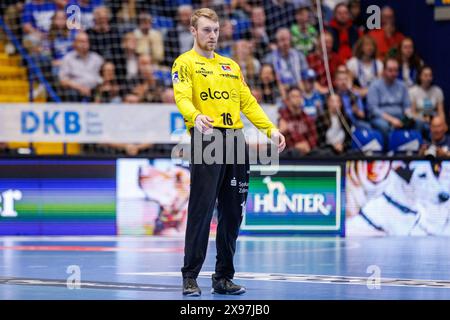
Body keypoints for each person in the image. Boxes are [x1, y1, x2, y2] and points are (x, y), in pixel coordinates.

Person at [172, 8, 285, 296]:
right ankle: (190, 277)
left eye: (216, 30)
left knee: (233, 212)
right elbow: (182, 96)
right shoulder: (184, 63)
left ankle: (223, 277)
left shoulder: (231, 66)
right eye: (207, 29)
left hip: (236, 141)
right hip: (207, 139)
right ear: (193, 31)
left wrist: (270, 129)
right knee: (202, 210)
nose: (212, 35)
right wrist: (195, 116)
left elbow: (248, 102)